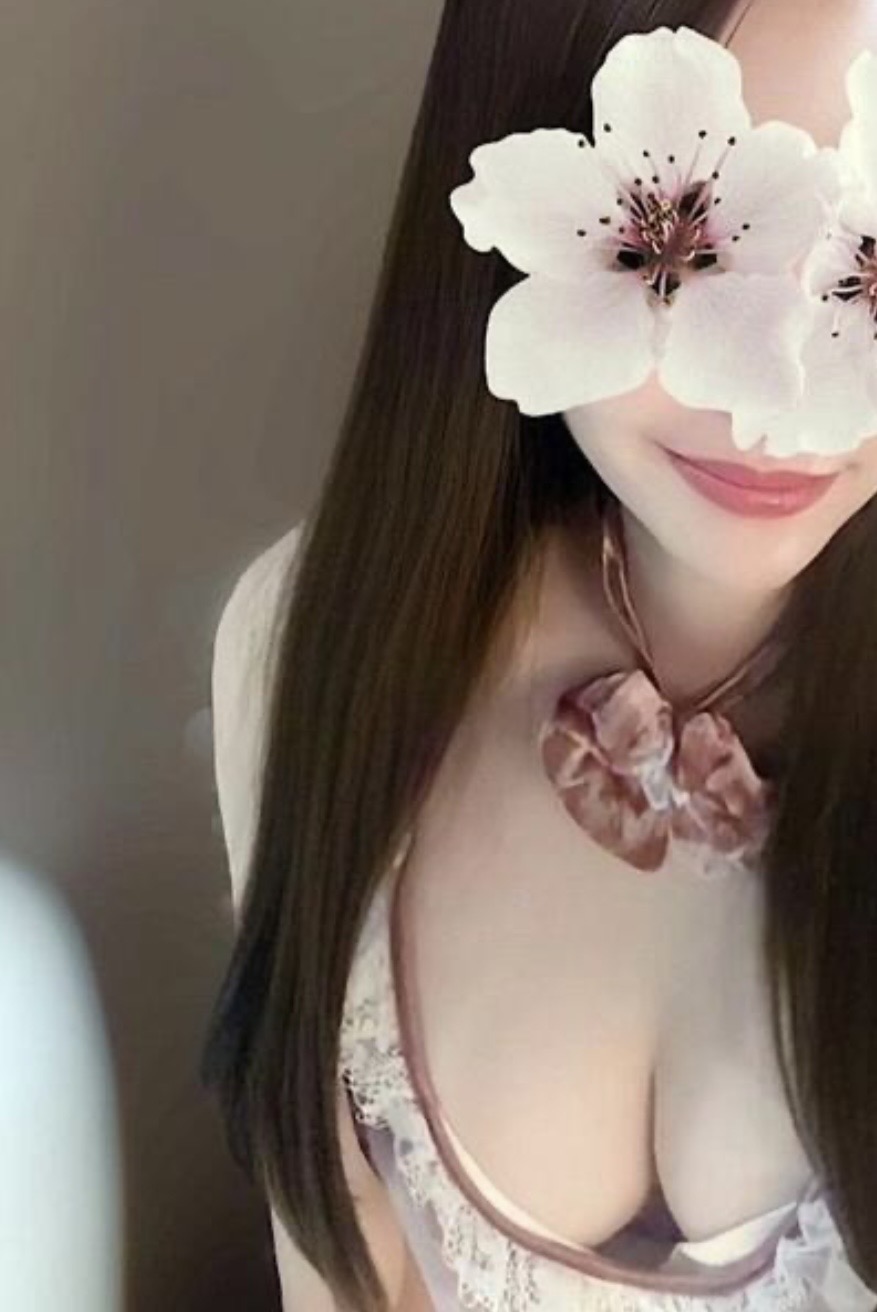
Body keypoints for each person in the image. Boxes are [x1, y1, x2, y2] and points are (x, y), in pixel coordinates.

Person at [201, 1, 877, 1308]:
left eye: (867, 267)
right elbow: (339, 1261)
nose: (774, 404)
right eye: (702, 250)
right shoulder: (311, 643)